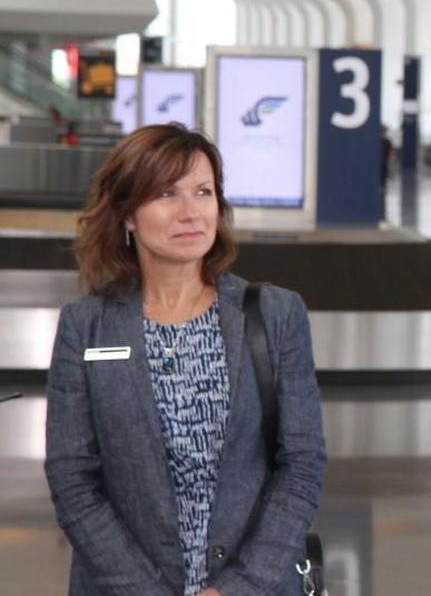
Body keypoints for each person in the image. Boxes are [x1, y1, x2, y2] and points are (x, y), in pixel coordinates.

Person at [44, 123, 326, 596]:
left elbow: (301, 465)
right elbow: (73, 480)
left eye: (203, 191)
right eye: (166, 193)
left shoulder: (275, 315)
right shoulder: (86, 326)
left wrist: (239, 587)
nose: (191, 212)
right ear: (127, 215)